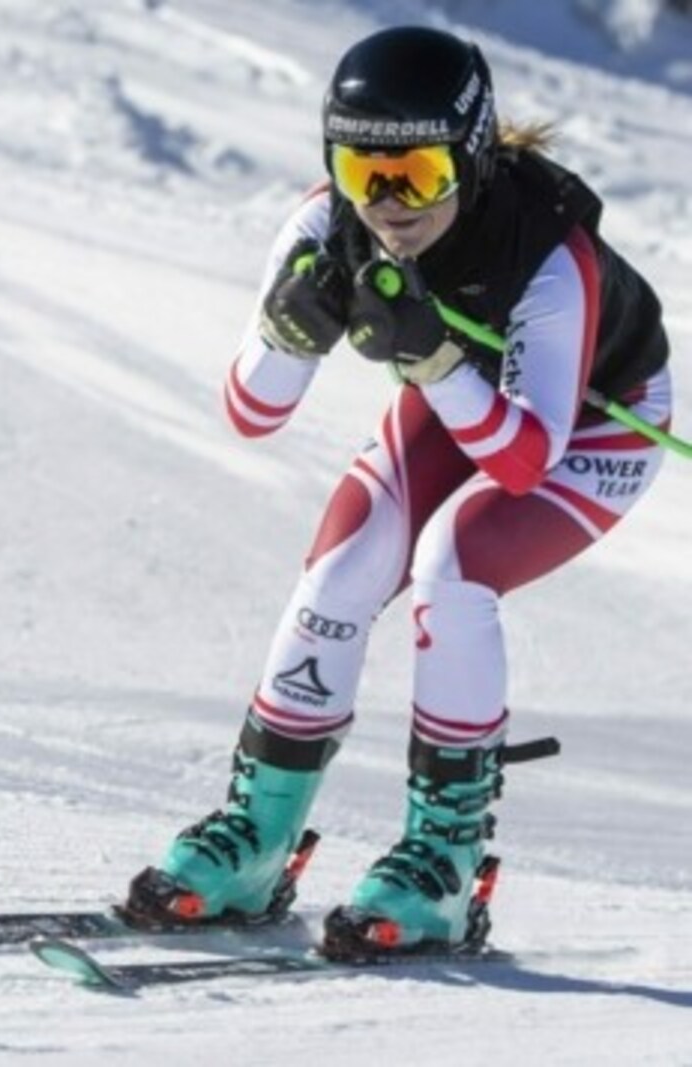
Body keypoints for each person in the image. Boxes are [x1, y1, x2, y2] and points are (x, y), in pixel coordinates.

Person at [122, 26, 671, 958]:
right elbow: (252, 412)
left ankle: (444, 867)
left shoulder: (549, 257)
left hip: (589, 425)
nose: (385, 204)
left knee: (452, 567)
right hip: (468, 402)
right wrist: (289, 334)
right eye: (358, 168)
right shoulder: (323, 221)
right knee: (339, 570)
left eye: (413, 174)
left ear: (467, 155)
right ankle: (256, 841)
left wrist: (429, 354)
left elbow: (523, 467)